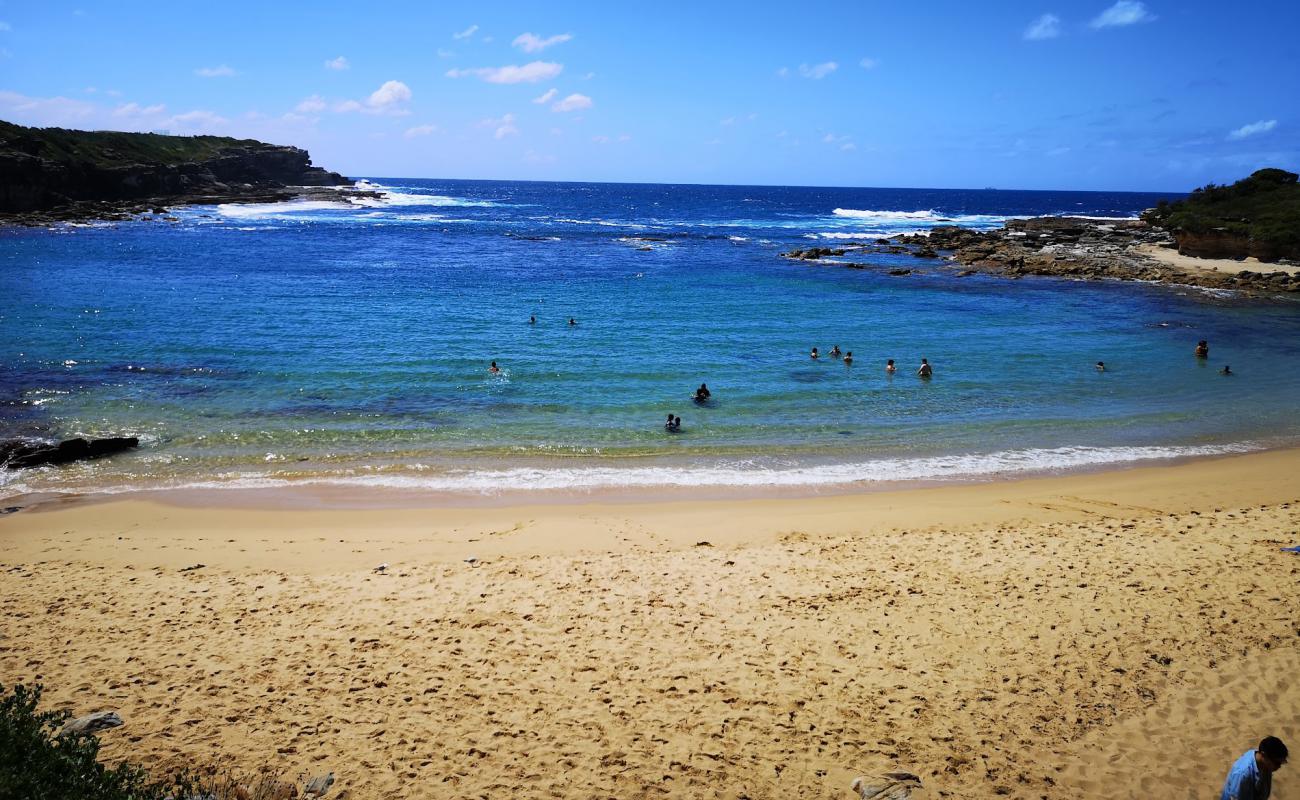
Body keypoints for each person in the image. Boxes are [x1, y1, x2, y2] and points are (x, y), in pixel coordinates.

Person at [1220, 736, 1287, 800]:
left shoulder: (1263, 761)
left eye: (1281, 763)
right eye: (1276, 763)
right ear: (1264, 755)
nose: (1279, 766)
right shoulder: (1243, 775)